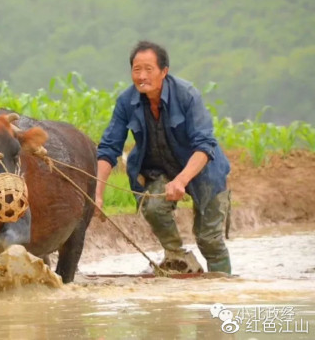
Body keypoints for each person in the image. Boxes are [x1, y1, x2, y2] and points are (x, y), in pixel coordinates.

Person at [96, 41, 232, 274]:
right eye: (136, 69)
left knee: (209, 240)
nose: (141, 76)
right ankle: (179, 258)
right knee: (154, 207)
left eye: (149, 69)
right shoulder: (126, 102)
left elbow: (204, 145)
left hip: (203, 170)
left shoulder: (187, 95)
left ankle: (222, 289)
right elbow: (109, 148)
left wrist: (181, 180)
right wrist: (96, 194)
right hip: (160, 169)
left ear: (164, 71)